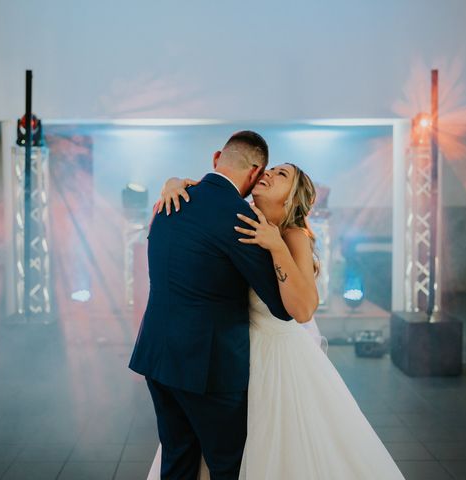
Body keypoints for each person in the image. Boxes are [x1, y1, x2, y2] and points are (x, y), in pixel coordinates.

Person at [145, 156, 405, 479]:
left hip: (279, 360)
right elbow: (205, 196)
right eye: (269, 170)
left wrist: (275, 245)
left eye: (280, 174)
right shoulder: (241, 216)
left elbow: (304, 309)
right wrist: (173, 182)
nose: (268, 175)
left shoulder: (293, 234)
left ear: (291, 196)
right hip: (235, 353)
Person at [129, 131, 292, 480]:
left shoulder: (172, 199)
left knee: (178, 459)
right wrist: (278, 248)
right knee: (225, 466)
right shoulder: (240, 218)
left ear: (217, 157)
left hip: (157, 356)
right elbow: (281, 307)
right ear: (255, 172)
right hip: (208, 369)